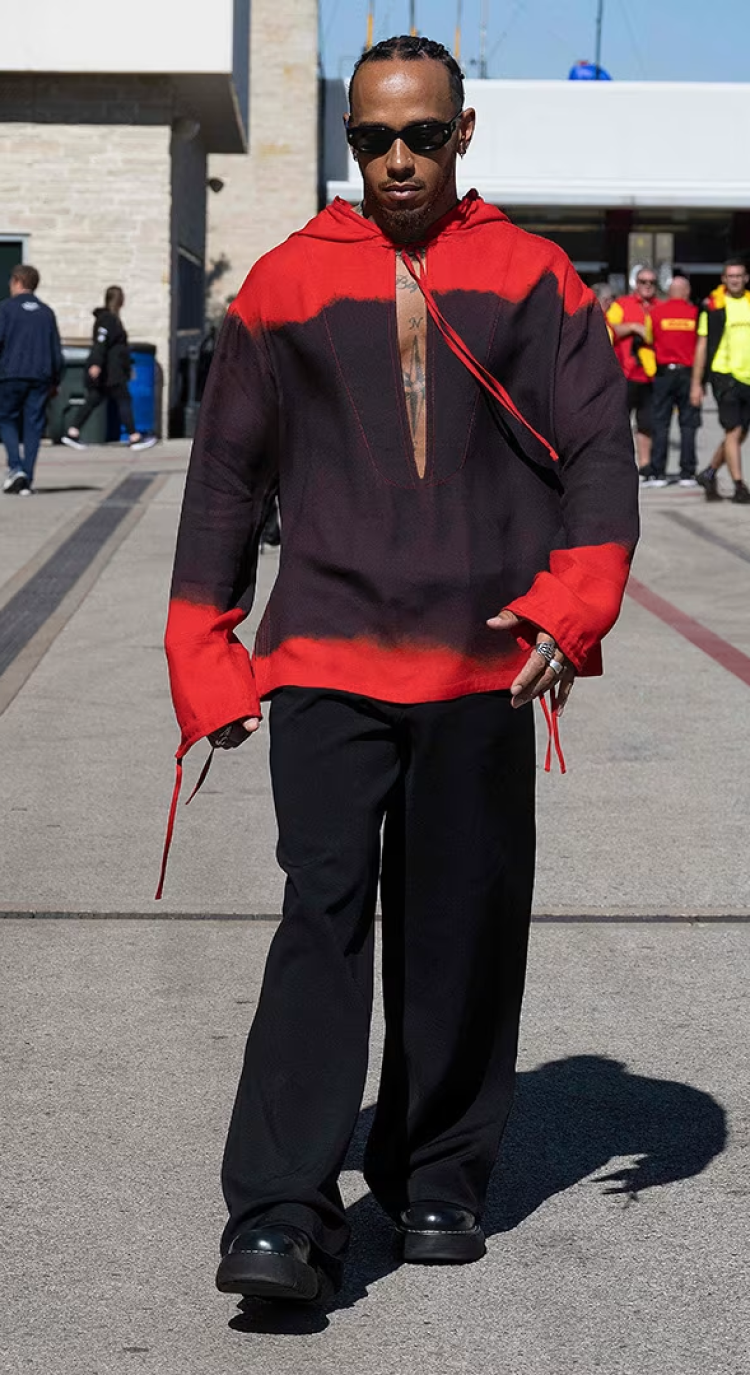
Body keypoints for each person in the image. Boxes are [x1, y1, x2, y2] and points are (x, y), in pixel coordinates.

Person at [162, 34, 639, 1305]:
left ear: (463, 133)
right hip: (326, 653)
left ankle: (438, 1172)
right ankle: (280, 1212)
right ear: (351, 143)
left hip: (485, 660)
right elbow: (225, 479)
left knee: (460, 925)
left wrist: (573, 605)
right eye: (374, 139)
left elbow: (601, 449)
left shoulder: (535, 276)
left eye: (423, 135)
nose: (399, 161)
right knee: (321, 914)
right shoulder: (283, 280)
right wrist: (204, 650)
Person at [61, 286, 156, 451]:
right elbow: (101, 343)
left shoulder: (111, 319)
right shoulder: (107, 320)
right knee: (123, 400)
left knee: (94, 399)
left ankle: (72, 432)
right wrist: (96, 364)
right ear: (120, 301)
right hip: (111, 370)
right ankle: (134, 437)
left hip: (111, 370)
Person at [691, 258, 750, 504]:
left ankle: (709, 472)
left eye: (739, 276)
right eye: (730, 276)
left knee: (739, 434)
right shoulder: (714, 307)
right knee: (733, 430)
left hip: (747, 377)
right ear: (724, 279)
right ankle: (739, 485)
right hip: (724, 376)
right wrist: (697, 383)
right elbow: (702, 346)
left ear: (746, 278)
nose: (735, 280)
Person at [0, 264, 62, 495]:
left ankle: (16, 468)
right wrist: (56, 379)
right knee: (33, 426)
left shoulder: (6, 309)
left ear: (18, 281)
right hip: (40, 376)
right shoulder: (46, 313)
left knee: (6, 419)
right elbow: (56, 350)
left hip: (11, 374)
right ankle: (27, 477)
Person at [646, 273, 700, 487]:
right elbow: (701, 344)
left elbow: (649, 338)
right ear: (687, 292)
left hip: (663, 374)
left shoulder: (656, 312)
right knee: (688, 424)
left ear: (669, 292)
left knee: (661, 423)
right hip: (688, 373)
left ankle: (658, 473)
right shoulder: (695, 313)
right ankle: (687, 472)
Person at [607, 267, 658, 477]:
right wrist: (634, 327)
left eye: (651, 282)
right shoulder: (622, 304)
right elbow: (609, 328)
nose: (647, 286)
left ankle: (645, 465)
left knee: (647, 423)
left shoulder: (660, 307)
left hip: (650, 374)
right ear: (636, 283)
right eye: (643, 281)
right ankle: (618, 464)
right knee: (619, 423)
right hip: (625, 373)